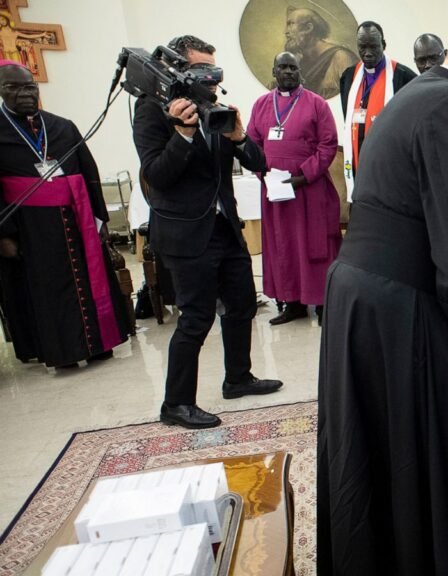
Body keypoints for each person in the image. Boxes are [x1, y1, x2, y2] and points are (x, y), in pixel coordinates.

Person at [316, 4, 448, 574]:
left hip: (360, 293)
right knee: (426, 455)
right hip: (400, 308)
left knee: (374, 457)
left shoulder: (414, 96)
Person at [132, 35, 282, 430]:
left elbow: (258, 162)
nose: (211, 79)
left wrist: (240, 138)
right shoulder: (151, 110)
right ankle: (176, 403)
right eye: (202, 70)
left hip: (223, 227)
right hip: (185, 233)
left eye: (214, 71)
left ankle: (238, 378)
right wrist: (181, 135)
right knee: (196, 318)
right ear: (179, 70)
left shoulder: (214, 108)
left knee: (243, 304)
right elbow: (157, 176)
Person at [0, 59, 131, 368]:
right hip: (30, 228)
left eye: (30, 87)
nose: (25, 94)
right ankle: (62, 353)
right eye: (14, 88)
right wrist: (3, 234)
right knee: (47, 289)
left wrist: (100, 219)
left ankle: (100, 343)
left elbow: (89, 172)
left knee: (89, 279)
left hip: (77, 221)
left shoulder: (61, 125)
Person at [247, 52, 340, 326]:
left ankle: (324, 304)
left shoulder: (317, 104)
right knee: (284, 246)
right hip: (277, 194)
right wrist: (264, 174)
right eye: (282, 67)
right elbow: (252, 146)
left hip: (309, 191)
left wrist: (303, 176)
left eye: (293, 67)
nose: (288, 72)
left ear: (301, 72)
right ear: (274, 71)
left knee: (315, 245)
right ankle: (293, 303)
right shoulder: (262, 105)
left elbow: (328, 145)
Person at [338, 21, 417, 199]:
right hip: (357, 165)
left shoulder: (404, 77)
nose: (367, 53)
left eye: (373, 47)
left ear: (384, 44)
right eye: (362, 47)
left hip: (390, 169)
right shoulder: (348, 77)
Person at [283, 6, 356, 99]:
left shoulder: (342, 58)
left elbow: (353, 97)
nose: (285, 32)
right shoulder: (300, 61)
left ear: (308, 28)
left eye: (290, 24)